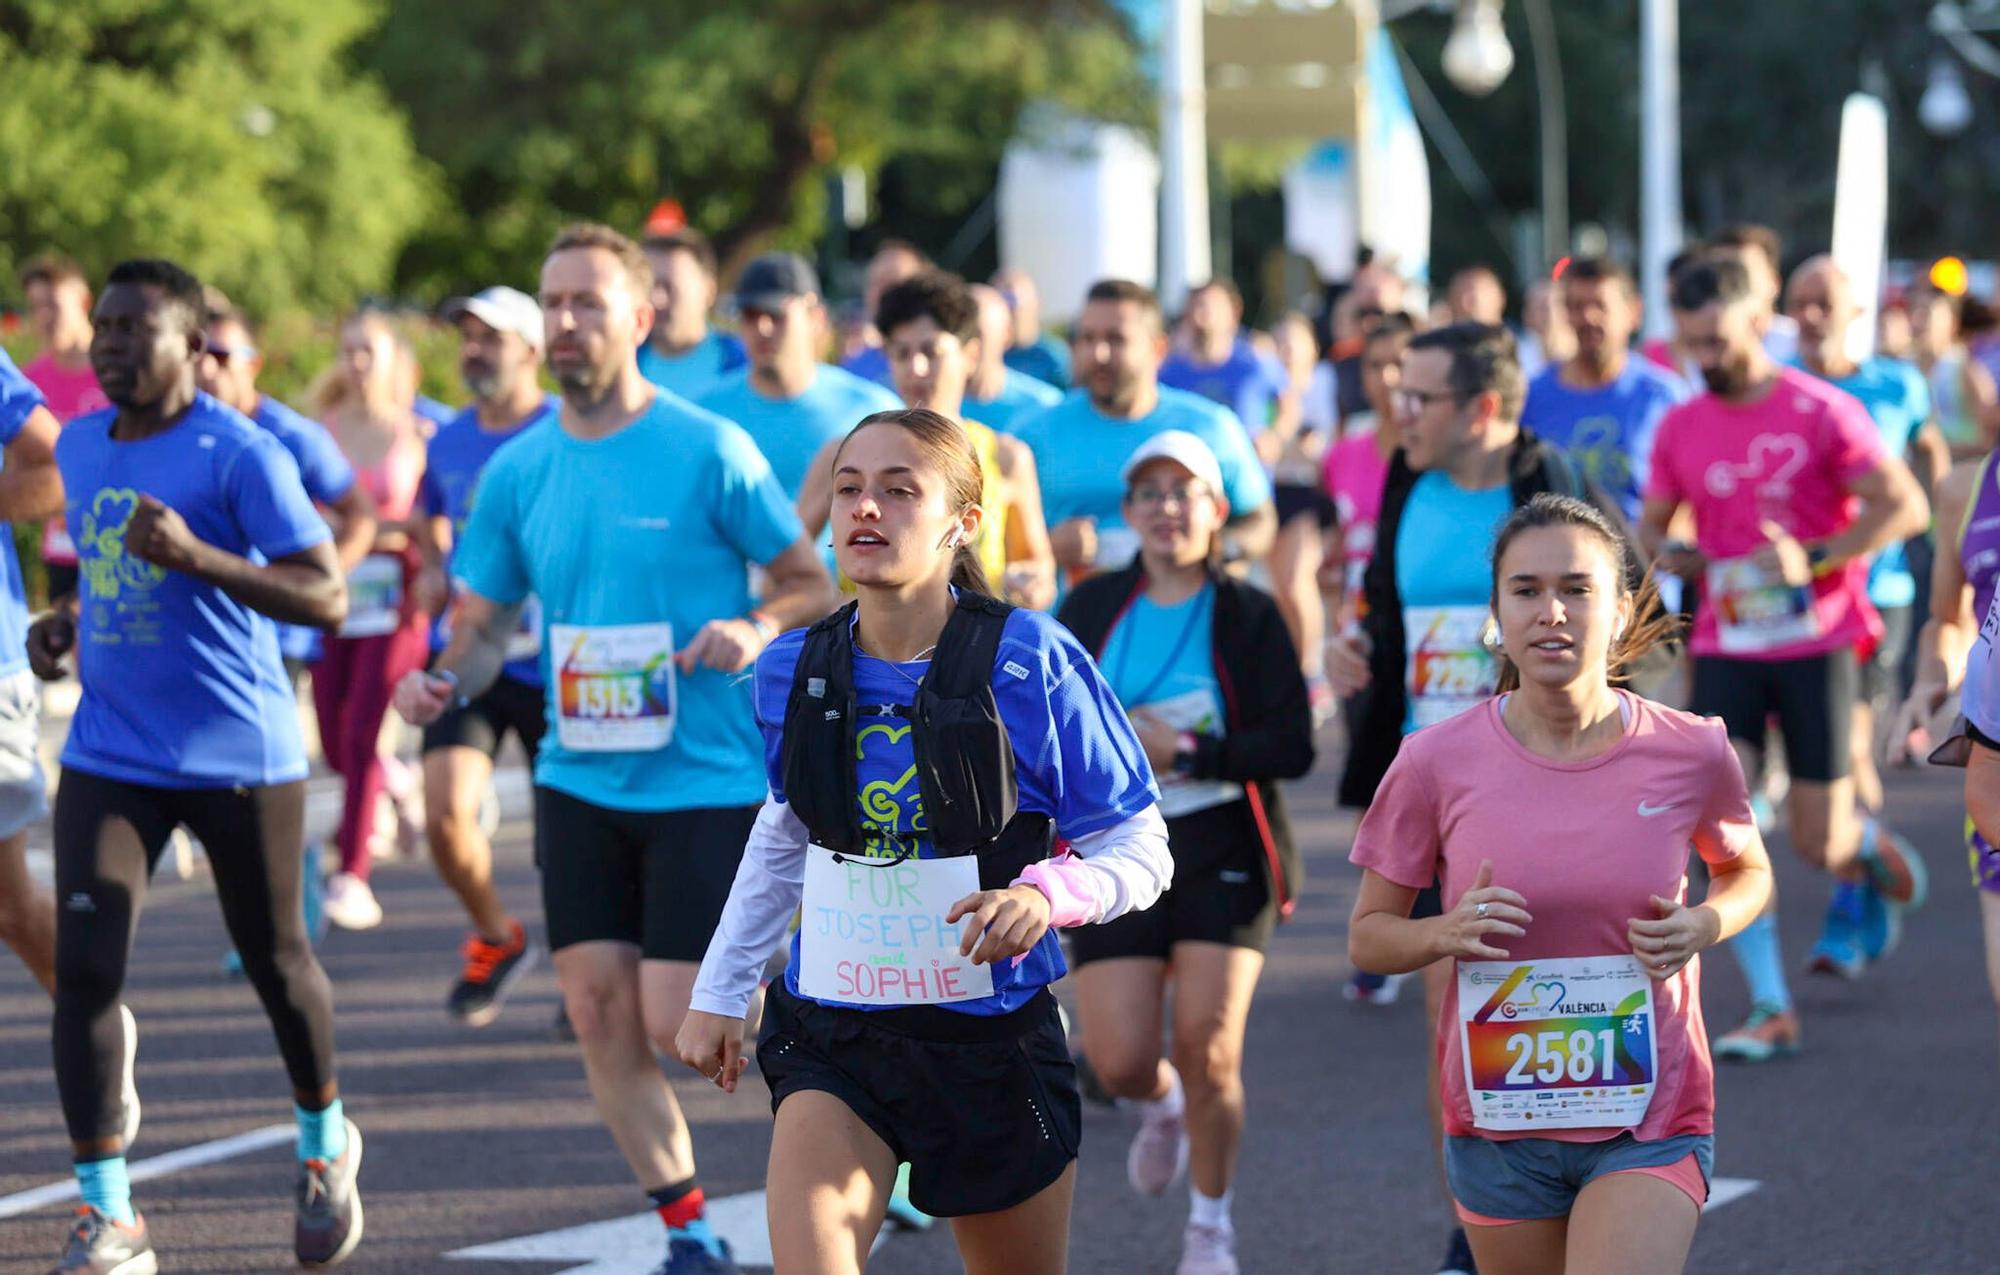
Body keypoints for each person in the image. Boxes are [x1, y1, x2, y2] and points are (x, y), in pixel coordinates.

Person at [393, 223, 835, 1275]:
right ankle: (686, 1229)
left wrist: (755, 627)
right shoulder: (516, 472)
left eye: (588, 301)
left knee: (679, 1020)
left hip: (703, 774)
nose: (564, 321)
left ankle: (848, 1049)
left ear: (640, 319)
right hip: (578, 771)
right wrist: (440, 677)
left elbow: (806, 578)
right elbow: (489, 622)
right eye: (553, 302)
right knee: (596, 1009)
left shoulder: (705, 448)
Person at [676, 406, 1171, 1275]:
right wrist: (722, 985)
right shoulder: (794, 666)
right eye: (850, 488)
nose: (868, 508)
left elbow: (1140, 845)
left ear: (963, 522)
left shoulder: (1033, 661)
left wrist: (1045, 895)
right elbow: (786, 832)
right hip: (837, 1030)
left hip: (990, 1039)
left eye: (900, 490)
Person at [30, 258, 360, 1272]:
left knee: (275, 963)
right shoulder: (81, 445)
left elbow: (326, 595)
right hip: (112, 749)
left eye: (138, 331)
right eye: (107, 332)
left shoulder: (240, 454)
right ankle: (109, 1214)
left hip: (237, 752)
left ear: (194, 348)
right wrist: (66, 624)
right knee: (85, 972)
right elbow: (111, 569)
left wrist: (201, 558)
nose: (115, 347)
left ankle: (323, 1142)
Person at [1348, 493, 1774, 1275]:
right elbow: (1370, 935)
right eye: (1527, 590)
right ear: (1496, 613)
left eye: (1578, 589)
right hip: (1500, 1117)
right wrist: (1444, 931)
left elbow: (1747, 870)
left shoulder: (1692, 750)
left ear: (1617, 611)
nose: (1552, 611)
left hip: (1651, 1115)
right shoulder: (1432, 761)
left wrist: (1704, 925)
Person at [1328, 322, 1628, 1275]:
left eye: (1419, 397)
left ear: (1483, 410)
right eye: (1395, 391)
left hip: (1551, 778)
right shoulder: (1406, 478)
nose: (1396, 411)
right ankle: (1479, 1222)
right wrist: (1359, 656)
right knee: (1450, 1019)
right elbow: (1387, 613)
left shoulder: (1554, 489)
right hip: (1439, 790)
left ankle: (1598, 1191)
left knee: (1562, 999)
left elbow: (1624, 628)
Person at [1638, 259, 1931, 1058]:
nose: (1708, 356)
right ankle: (1771, 1003)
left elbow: (1904, 504)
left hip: (1819, 642)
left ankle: (1864, 851)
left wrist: (1819, 555)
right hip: (1725, 642)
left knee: (1815, 839)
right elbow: (1653, 529)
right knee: (1720, 822)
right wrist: (1678, 555)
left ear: (1758, 317)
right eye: (1693, 342)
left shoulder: (1820, 410)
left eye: (1720, 339)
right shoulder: (1682, 424)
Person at [1056, 431, 1314, 1275]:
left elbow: (1293, 745)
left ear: (1216, 510)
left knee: (1211, 1047)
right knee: (1122, 1059)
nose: (1168, 508)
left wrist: (1191, 753)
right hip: (1118, 848)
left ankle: (1211, 1224)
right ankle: (1160, 1106)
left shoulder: (1247, 611)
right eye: (1150, 493)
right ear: (1128, 512)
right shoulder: (1092, 606)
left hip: (1222, 845)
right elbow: (1045, 721)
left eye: (1185, 492)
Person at [409, 286, 559, 1025]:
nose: (473, 349)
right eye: (466, 336)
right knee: (442, 816)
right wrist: (433, 561)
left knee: (565, 837)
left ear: (531, 349)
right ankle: (498, 937)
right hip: (468, 649)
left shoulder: (565, 429)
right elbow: (427, 509)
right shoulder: (449, 437)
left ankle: (582, 969)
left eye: (489, 337)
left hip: (558, 660)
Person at [1787, 256, 1945, 826]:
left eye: (1824, 302)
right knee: (1794, 761)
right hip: (1792, 596)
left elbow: (1927, 446)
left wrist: (1940, 523)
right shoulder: (1774, 383)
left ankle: (1868, 897)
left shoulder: (1897, 383)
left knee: (1854, 750)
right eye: (1799, 301)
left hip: (1880, 589)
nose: (1809, 314)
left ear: (1855, 312)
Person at [799, 271, 1057, 610]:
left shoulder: (1004, 457)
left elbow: (1039, 568)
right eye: (902, 354)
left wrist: (1031, 583)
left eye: (931, 352)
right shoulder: (845, 455)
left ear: (971, 355)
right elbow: (787, 566)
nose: (916, 368)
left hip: (974, 652)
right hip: (868, 655)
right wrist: (839, 611)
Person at [1010, 279, 1275, 589]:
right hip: (1068, 630)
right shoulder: (1032, 432)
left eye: (1116, 339)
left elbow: (1261, 521)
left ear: (1158, 348)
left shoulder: (1210, 426)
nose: (1099, 353)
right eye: (1087, 338)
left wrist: (1213, 549)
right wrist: (1046, 547)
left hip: (1181, 627)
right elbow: (988, 542)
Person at [308, 310, 436, 930]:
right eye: (348, 349)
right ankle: (397, 779)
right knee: (334, 741)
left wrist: (365, 531)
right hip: (335, 598)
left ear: (393, 361)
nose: (356, 362)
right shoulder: (321, 429)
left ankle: (351, 872)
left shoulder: (416, 434)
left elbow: (422, 525)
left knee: (361, 734)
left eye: (369, 351)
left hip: (396, 603)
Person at [198, 301, 380, 674]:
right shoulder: (186, 432)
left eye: (221, 356)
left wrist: (320, 580)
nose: (206, 369)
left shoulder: (292, 437)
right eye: (198, 355)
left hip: (275, 634)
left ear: (253, 364)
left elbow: (361, 513)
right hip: (207, 627)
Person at [697, 253, 901, 499]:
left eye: (776, 315)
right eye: (750, 315)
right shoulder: (705, 413)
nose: (762, 327)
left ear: (816, 318)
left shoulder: (872, 410)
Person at [1521, 257, 1686, 525]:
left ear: (1633, 312)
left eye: (1600, 305)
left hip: (1638, 561)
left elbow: (1689, 498)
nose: (1588, 317)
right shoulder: (1532, 397)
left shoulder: (1663, 397)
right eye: (1575, 306)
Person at [18, 255, 108, 603]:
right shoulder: (28, 382)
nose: (44, 317)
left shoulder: (116, 372)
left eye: (53, 305)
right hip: (61, 544)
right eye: (35, 307)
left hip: (120, 540)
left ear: (83, 300)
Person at [1322, 315, 1415, 632]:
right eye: (1375, 365)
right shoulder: (1340, 454)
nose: (1387, 377)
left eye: (1398, 364)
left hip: (1419, 617)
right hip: (1359, 625)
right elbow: (1333, 545)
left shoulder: (1435, 456)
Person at [1159, 278, 1291, 431]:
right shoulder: (1169, 373)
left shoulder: (1255, 362)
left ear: (1233, 313)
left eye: (1212, 307)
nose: (1203, 316)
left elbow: (1288, 405)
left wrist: (1275, 437)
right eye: (1197, 306)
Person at [638, 229, 747, 401]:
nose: (656, 300)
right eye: (649, 286)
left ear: (708, 292)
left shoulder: (744, 366)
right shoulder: (620, 364)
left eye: (670, 287)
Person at [1909, 283, 2000, 462]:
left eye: (1927, 312)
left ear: (1952, 322)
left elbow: (1989, 440)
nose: (1918, 320)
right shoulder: (1903, 368)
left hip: (1957, 475)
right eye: (1914, 310)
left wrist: (1939, 449)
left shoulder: (1966, 369)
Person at [964, 284, 1062, 433]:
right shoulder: (927, 404)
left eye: (977, 334)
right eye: (961, 334)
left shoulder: (1046, 406)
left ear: (1006, 335)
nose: (968, 346)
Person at [1703, 224, 1799, 364]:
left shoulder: (1799, 345)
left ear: (1773, 283)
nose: (1725, 287)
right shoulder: (1693, 350)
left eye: (1740, 276)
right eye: (1719, 274)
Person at [841, 240, 931, 387]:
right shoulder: (853, 367)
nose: (882, 293)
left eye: (893, 282)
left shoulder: (943, 364)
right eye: (875, 282)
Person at [993, 267, 1072, 390]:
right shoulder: (989, 356)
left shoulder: (1054, 356)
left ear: (1036, 305)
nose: (1006, 311)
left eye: (1012, 300)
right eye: (999, 302)